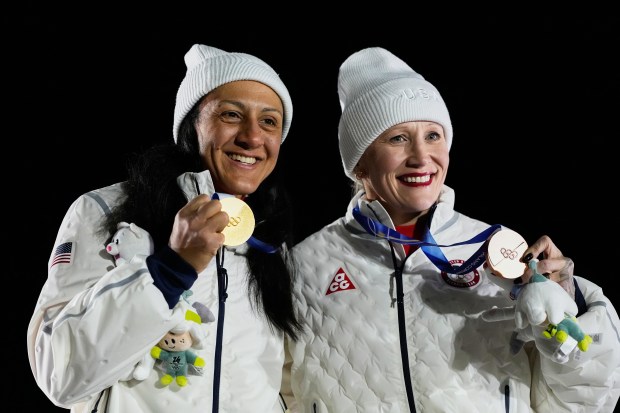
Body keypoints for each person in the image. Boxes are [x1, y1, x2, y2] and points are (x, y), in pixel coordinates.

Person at [282, 47, 620, 412]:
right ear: (359, 163)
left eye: (433, 136)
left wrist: (569, 303)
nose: (421, 156)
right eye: (398, 138)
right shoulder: (302, 266)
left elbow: (584, 399)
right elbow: (277, 394)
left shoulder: (503, 252)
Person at [27, 43, 302, 413]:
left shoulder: (269, 241)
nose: (252, 137)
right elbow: (59, 375)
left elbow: (284, 385)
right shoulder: (106, 211)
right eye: (232, 115)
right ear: (191, 126)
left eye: (269, 121)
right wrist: (170, 270)